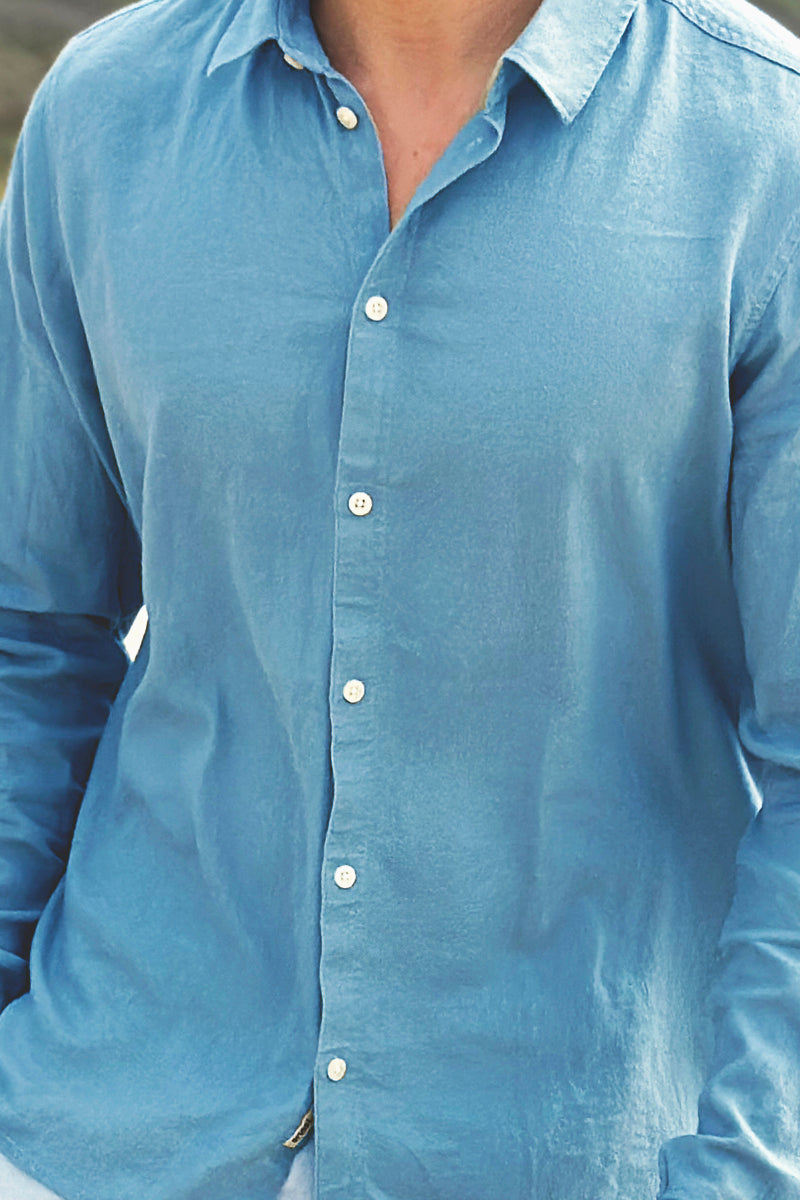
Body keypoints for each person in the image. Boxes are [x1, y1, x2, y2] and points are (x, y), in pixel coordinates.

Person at [2, 0, 800, 1196]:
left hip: (564, 1150)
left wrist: (744, 1172)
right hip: (102, 1126)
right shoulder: (103, 115)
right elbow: (29, 631)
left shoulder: (765, 144)